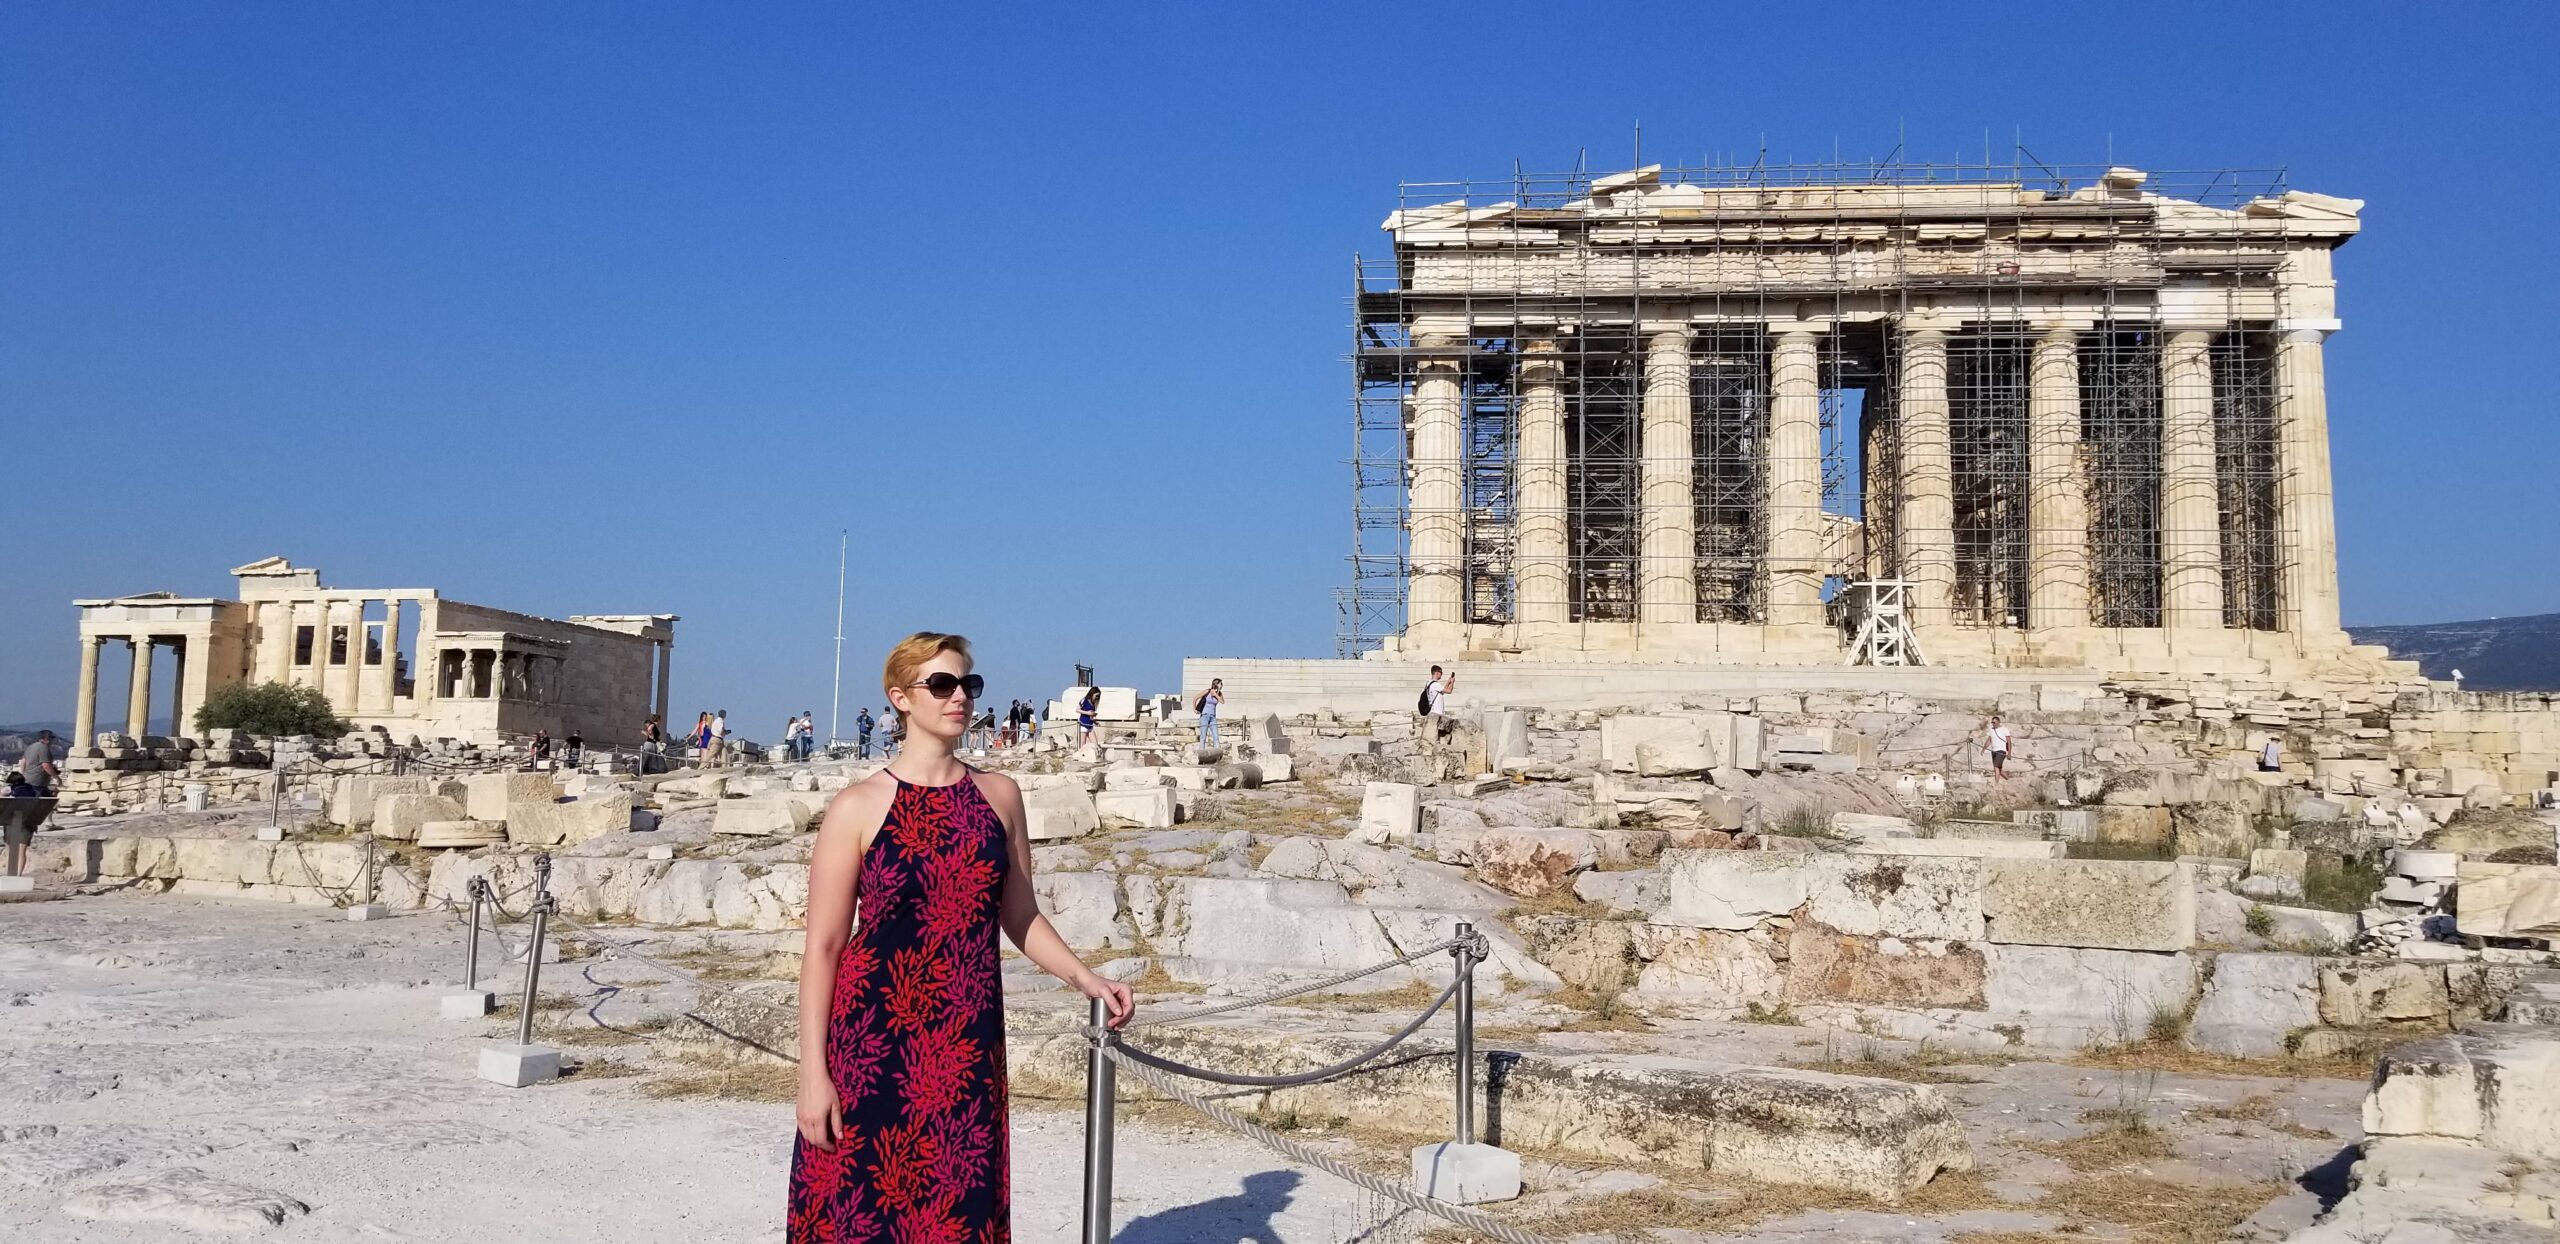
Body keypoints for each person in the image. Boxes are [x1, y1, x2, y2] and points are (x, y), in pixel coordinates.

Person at [790, 633, 1133, 1241]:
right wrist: (813, 1073)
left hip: (966, 1041)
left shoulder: (998, 795)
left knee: (958, 1210)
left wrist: (1087, 978)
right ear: (900, 698)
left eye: (967, 684)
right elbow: (824, 948)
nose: (960, 697)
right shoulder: (858, 807)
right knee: (859, 1212)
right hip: (872, 1045)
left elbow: (1019, 913)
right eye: (941, 684)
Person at [13, 730, 59, 796]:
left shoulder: (30, 747)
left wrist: (23, 775)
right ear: (47, 739)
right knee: (43, 802)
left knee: (46, 801)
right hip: (38, 782)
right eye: (52, 738)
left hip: (28, 780)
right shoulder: (44, 748)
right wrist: (56, 777)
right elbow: (46, 765)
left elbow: (23, 762)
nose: (53, 740)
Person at [1196, 678, 1225, 750]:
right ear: (1216, 684)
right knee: (1203, 736)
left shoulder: (1220, 694)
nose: (1221, 685)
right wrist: (1194, 709)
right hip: (1205, 716)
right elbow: (1195, 697)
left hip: (1213, 717)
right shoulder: (1207, 691)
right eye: (1220, 684)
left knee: (1216, 736)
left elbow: (1222, 701)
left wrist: (1216, 694)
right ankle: (1201, 752)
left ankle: (1218, 753)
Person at [1984, 715, 2013, 780]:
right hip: (1993, 751)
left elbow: (2009, 742)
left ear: (1998, 722)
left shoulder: (2004, 730)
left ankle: (1996, 784)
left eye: (1994, 722)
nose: (1993, 724)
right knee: (1997, 768)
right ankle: (2007, 778)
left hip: (2001, 751)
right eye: (1992, 722)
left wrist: (2009, 753)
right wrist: (1984, 749)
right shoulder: (1991, 730)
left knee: (1996, 767)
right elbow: (1989, 740)